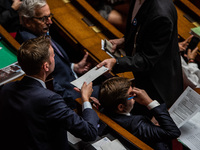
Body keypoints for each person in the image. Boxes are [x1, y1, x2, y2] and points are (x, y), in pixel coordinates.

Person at [0, 36, 99, 150]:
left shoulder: (7, 88)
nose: (54, 57)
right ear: (46, 66)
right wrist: (86, 99)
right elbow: (89, 133)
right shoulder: (49, 99)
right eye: (52, 55)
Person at [97, 0, 183, 116]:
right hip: (140, 74)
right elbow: (139, 28)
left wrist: (116, 62)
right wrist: (124, 40)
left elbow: (147, 59)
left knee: (147, 121)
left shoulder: (161, 15)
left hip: (157, 83)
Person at [16, 0, 99, 109]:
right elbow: (50, 83)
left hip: (74, 81)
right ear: (27, 21)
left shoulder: (40, 32)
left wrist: (74, 67)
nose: (50, 22)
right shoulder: (31, 46)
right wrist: (82, 100)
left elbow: (56, 64)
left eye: (49, 16)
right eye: (43, 18)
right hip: (72, 95)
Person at [98, 77, 181, 150]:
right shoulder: (136, 123)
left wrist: (150, 125)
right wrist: (149, 102)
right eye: (131, 95)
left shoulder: (103, 110)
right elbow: (173, 132)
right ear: (121, 107)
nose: (135, 95)